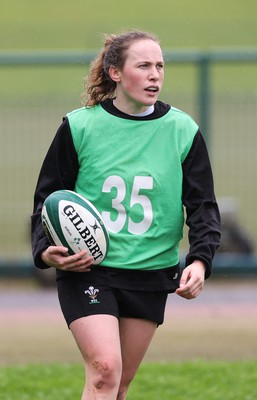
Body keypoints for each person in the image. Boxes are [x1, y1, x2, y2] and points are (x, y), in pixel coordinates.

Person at [31, 30, 221, 400]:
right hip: (88, 267)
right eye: (144, 65)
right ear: (115, 72)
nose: (155, 75)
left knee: (118, 387)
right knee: (105, 370)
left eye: (160, 66)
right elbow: (46, 200)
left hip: (150, 272)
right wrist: (44, 249)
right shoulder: (80, 126)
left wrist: (200, 261)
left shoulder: (182, 130)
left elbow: (203, 206)